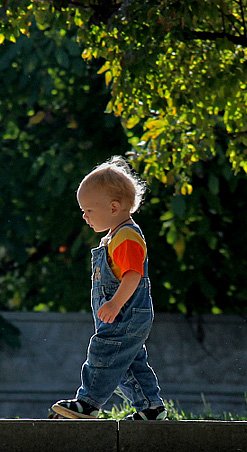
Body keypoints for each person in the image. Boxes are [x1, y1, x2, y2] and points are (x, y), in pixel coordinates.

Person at [50, 156, 166, 421]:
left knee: (103, 353)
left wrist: (114, 304)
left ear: (114, 208)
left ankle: (88, 403)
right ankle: (151, 408)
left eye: (89, 210)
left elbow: (133, 275)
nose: (84, 216)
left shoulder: (125, 237)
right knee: (129, 364)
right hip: (125, 315)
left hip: (126, 314)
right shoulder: (115, 235)